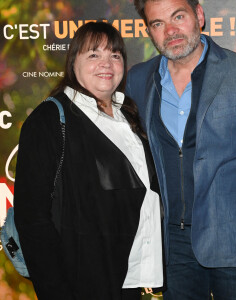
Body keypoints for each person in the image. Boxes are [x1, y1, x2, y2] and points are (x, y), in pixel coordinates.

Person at [125, 0, 236, 299]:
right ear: (149, 31)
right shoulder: (138, 80)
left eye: (178, 16)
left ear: (199, 15)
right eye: (158, 23)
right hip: (173, 248)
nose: (171, 30)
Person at [13, 21, 164, 300]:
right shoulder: (49, 121)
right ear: (74, 63)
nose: (106, 63)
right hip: (78, 284)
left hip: (127, 280)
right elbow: (32, 217)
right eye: (94, 54)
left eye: (115, 55)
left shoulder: (129, 117)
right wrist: (55, 291)